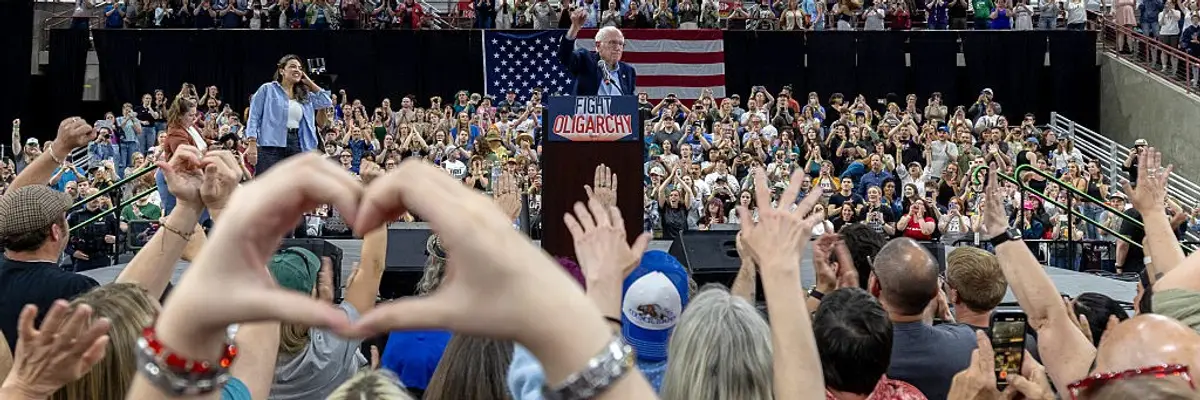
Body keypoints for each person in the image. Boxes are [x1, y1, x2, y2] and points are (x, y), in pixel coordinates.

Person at [246, 54, 334, 174]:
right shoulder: (267, 89)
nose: (297, 70)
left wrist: (308, 82)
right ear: (282, 70)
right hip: (270, 144)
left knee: (294, 184)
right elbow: (254, 117)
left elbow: (326, 101)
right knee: (269, 183)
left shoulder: (304, 95)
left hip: (297, 142)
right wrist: (252, 143)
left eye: (300, 68)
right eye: (293, 66)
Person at [558, 12, 637, 96]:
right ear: (598, 45)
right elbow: (565, 56)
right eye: (612, 42)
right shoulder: (586, 60)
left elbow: (629, 102)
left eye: (621, 44)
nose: (618, 48)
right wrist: (574, 28)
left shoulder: (628, 71)